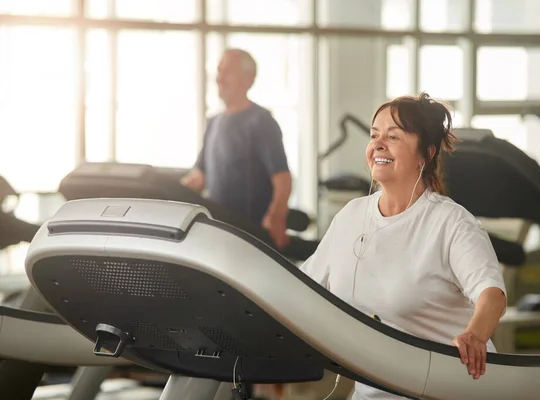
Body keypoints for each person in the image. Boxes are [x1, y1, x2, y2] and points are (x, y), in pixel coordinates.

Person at [299, 93, 507, 400]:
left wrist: (474, 335)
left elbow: (492, 294)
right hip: (374, 393)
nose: (378, 144)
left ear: (425, 153)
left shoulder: (450, 223)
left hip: (450, 390)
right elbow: (303, 288)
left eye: (393, 136)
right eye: (374, 135)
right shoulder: (351, 217)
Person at [181, 48, 292, 250]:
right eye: (219, 71)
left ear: (248, 79)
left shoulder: (261, 122)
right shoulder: (214, 122)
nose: (219, 79)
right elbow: (199, 177)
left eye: (227, 72)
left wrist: (276, 217)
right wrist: (167, 194)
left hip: (250, 237)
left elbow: (283, 179)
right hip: (218, 234)